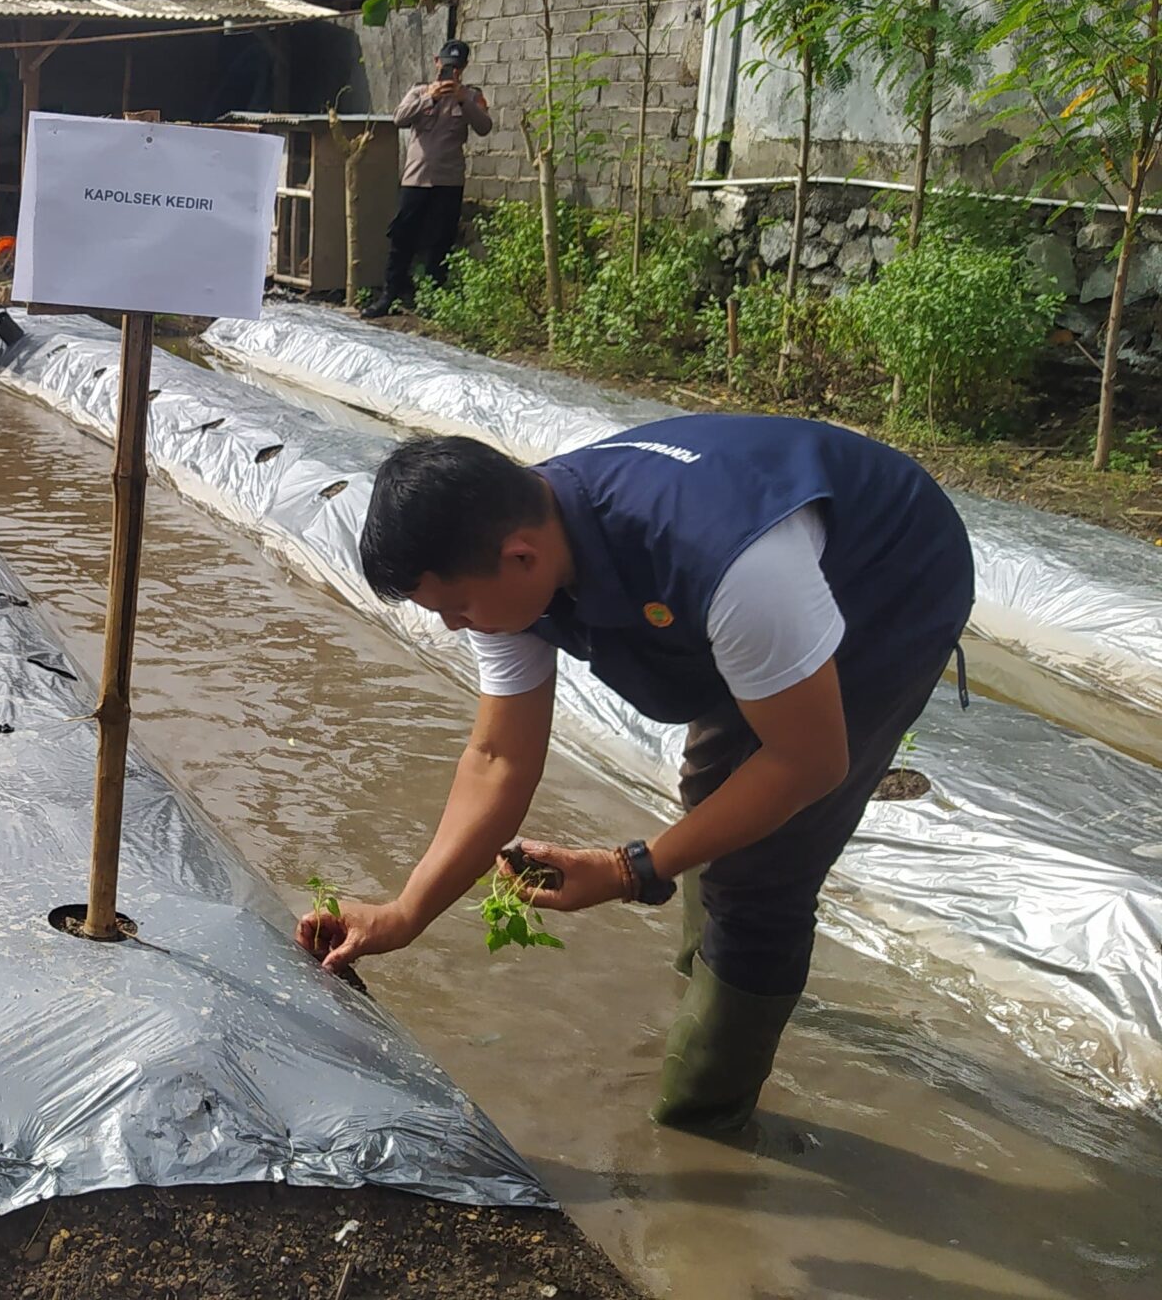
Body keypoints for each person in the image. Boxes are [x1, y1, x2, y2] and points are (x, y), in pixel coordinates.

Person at [303, 415, 973, 1135]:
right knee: (713, 793)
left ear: (521, 556)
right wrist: (406, 911)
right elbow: (500, 756)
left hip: (888, 580)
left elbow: (808, 760)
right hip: (752, 585)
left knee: (763, 867)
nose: (456, 628)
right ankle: (706, 970)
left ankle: (701, 1127)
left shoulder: (723, 562)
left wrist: (632, 869)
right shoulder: (516, 546)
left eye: (457, 608)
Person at [364, 39, 491, 319]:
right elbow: (399, 119)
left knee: (440, 241)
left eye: (456, 68)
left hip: (449, 180)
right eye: (447, 66)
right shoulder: (418, 91)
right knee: (402, 237)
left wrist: (463, 100)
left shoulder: (472, 95)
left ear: (464, 68)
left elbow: (484, 127)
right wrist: (430, 98)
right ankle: (390, 294)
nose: (451, 73)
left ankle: (432, 300)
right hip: (416, 179)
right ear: (437, 62)